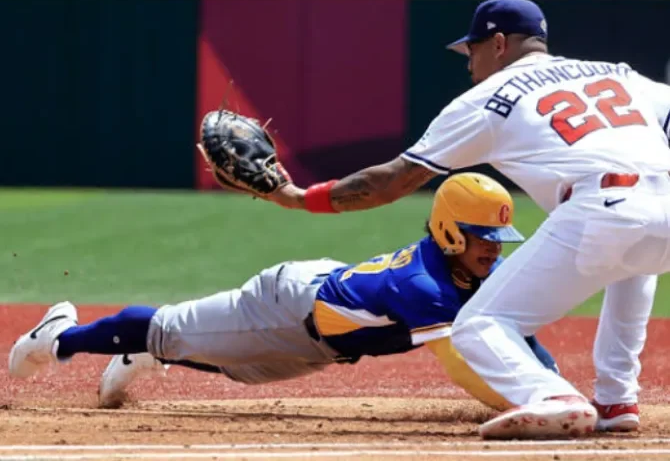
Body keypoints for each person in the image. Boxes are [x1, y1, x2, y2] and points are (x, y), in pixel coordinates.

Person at [254, 0, 670, 438]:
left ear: (498, 43)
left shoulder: (489, 99)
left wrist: (298, 197)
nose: (469, 63)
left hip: (601, 208)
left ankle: (552, 396)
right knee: (634, 265)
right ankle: (616, 398)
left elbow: (392, 181)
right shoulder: (618, 75)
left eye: (472, 49)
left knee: (477, 325)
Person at [9, 173, 560, 412]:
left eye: (498, 238)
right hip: (287, 308)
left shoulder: (476, 271)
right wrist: (533, 404)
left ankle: (147, 354)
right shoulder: (424, 287)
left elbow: (513, 335)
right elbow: (462, 365)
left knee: (238, 369)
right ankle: (62, 336)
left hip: (319, 337)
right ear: (449, 231)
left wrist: (552, 389)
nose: (493, 247)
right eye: (482, 236)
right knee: (167, 329)